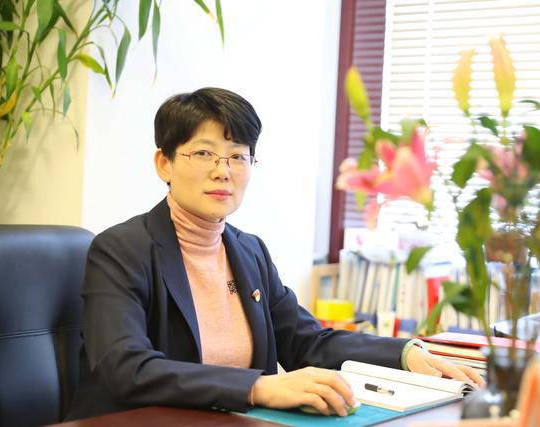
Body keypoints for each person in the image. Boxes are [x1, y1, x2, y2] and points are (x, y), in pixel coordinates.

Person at [66, 88, 484, 421]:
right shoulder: (121, 250)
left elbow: (306, 342)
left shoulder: (249, 251)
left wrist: (405, 354)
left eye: (238, 156)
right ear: (164, 163)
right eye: (204, 153)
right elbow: (126, 368)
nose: (223, 170)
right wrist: (258, 387)